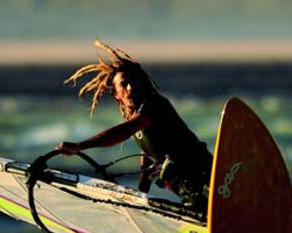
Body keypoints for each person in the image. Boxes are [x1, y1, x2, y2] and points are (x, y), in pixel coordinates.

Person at [56, 40, 213, 214]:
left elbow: (124, 131)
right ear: (115, 93)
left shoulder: (155, 105)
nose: (131, 88)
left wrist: (80, 146)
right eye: (124, 84)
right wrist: (142, 189)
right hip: (187, 190)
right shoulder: (134, 115)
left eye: (135, 82)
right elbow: (148, 152)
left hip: (207, 178)